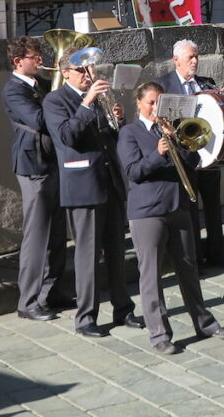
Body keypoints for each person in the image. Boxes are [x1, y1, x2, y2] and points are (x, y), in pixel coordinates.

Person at [117, 82, 224, 354]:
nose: (155, 108)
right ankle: (159, 335)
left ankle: (204, 323)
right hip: (147, 211)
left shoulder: (171, 128)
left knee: (189, 268)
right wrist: (158, 154)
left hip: (178, 206)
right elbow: (134, 172)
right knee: (151, 275)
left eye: (159, 103)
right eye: (150, 103)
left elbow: (193, 163)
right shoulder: (129, 133)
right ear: (139, 103)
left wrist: (179, 142)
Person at [44, 47, 140, 337]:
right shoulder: (55, 100)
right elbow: (67, 136)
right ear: (66, 73)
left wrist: (117, 120)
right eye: (81, 70)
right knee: (87, 256)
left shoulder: (98, 100)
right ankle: (86, 318)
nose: (88, 75)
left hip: (108, 182)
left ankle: (123, 309)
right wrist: (86, 103)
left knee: (116, 251)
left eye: (89, 69)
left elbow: (108, 139)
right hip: (83, 187)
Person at [3, 36, 70, 321]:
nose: (40, 60)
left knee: (57, 232)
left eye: (40, 54)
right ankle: (27, 301)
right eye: (34, 56)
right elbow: (40, 121)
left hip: (53, 161)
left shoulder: (43, 85)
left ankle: (51, 293)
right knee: (37, 235)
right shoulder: (13, 90)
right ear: (19, 61)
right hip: (32, 164)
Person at [158, 39, 224, 268]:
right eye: (190, 57)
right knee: (189, 210)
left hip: (208, 151)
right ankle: (195, 259)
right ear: (176, 60)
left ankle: (217, 254)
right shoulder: (163, 85)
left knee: (213, 208)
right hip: (184, 155)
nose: (195, 61)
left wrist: (221, 98)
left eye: (197, 56)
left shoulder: (207, 83)